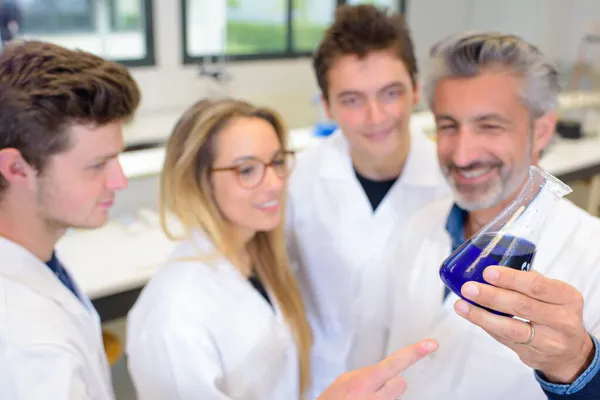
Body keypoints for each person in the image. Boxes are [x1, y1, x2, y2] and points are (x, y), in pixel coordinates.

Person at [125, 98, 439, 400]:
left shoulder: (256, 260)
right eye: (246, 170)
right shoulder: (172, 315)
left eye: (277, 162)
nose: (275, 183)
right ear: (197, 180)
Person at [385, 32, 600, 399]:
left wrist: (576, 364)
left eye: (490, 125)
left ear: (542, 129)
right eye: (448, 126)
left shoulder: (593, 254)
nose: (463, 154)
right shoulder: (416, 225)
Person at [286, 4, 449, 397]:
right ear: (326, 106)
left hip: (421, 386)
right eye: (353, 100)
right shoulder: (298, 179)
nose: (375, 117)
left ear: (415, 90)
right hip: (322, 384)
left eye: (390, 93)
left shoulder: (454, 186)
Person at [0, 40, 141, 399]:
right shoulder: (31, 348)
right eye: (97, 165)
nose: (119, 181)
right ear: (17, 168)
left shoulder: (34, 256)